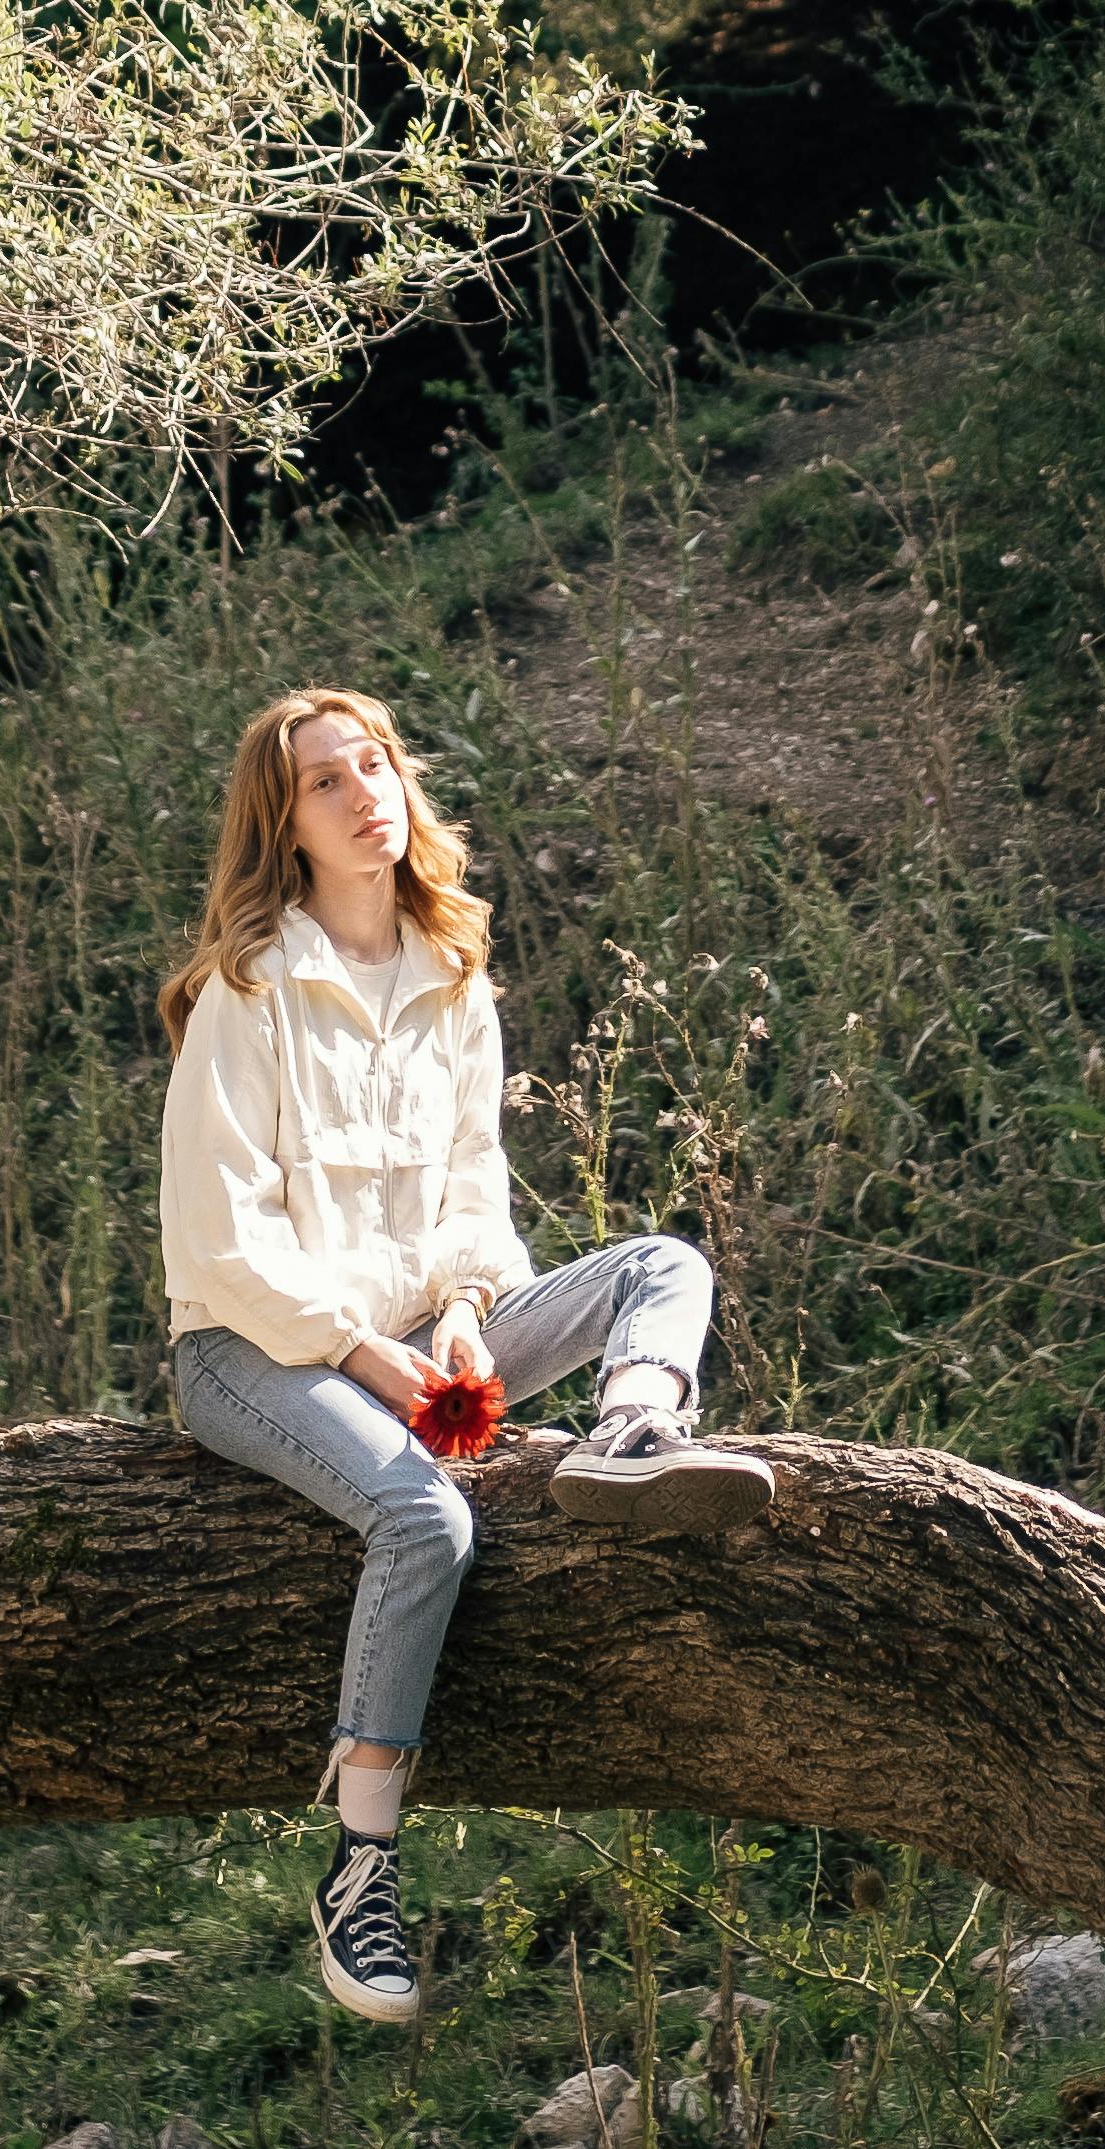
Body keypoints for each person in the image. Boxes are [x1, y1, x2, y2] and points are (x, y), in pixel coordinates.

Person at [159, 678, 768, 2023]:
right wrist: (379, 1362)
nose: (364, 789)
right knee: (429, 1522)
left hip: (419, 1337)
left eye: (374, 763)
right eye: (327, 778)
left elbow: (470, 1196)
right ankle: (361, 1866)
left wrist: (461, 1317)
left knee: (662, 1267)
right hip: (257, 1352)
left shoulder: (451, 973)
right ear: (286, 823)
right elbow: (221, 1242)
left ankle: (632, 1442)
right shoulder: (248, 992)